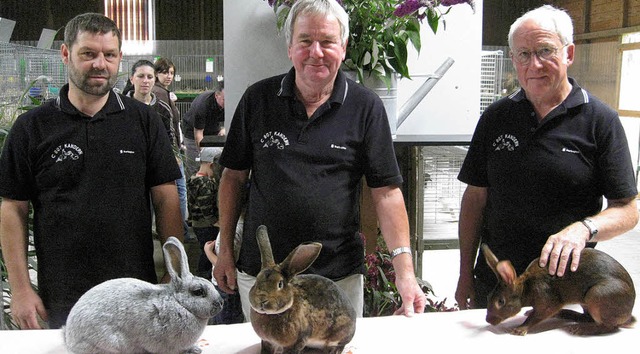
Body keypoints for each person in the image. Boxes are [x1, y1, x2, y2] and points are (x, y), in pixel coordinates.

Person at [214, 0, 426, 320]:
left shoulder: (366, 108)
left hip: (337, 278)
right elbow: (233, 178)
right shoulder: (257, 100)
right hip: (265, 278)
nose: (316, 52)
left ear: (342, 47)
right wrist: (225, 249)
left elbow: (386, 192)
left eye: (327, 41)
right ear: (290, 47)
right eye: (305, 41)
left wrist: (405, 272)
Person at [0, 13, 183, 329]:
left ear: (119, 59)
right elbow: (12, 209)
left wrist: (174, 273)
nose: (100, 64)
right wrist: (20, 289)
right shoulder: (32, 127)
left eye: (109, 55)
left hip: (136, 290)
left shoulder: (144, 122)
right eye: (89, 54)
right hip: (62, 295)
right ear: (66, 54)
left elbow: (166, 199)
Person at [454, 5, 639, 310]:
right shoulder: (496, 117)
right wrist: (464, 274)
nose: (534, 64)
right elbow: (475, 199)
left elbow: (628, 210)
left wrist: (585, 228)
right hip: (499, 286)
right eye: (523, 54)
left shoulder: (600, 120)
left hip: (566, 292)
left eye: (545, 50)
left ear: (569, 54)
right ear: (513, 60)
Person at [153, 57, 191, 241]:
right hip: (170, 153)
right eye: (164, 72)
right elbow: (165, 128)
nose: (168, 76)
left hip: (174, 149)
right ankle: (180, 232)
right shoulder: (159, 94)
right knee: (180, 191)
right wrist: (174, 152)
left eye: (171, 73)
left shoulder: (165, 93)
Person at [187, 147, 221, 278]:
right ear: (211, 165)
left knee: (204, 249)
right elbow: (205, 207)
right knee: (207, 251)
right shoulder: (205, 184)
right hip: (205, 225)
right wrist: (216, 222)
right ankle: (203, 276)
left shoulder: (194, 179)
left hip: (197, 223)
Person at [182, 80, 226, 179]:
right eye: (224, 99)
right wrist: (204, 155)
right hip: (192, 132)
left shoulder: (227, 104)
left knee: (215, 165)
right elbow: (198, 135)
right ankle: (193, 186)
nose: (228, 103)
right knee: (196, 165)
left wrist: (223, 129)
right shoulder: (203, 105)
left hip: (213, 128)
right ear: (216, 96)